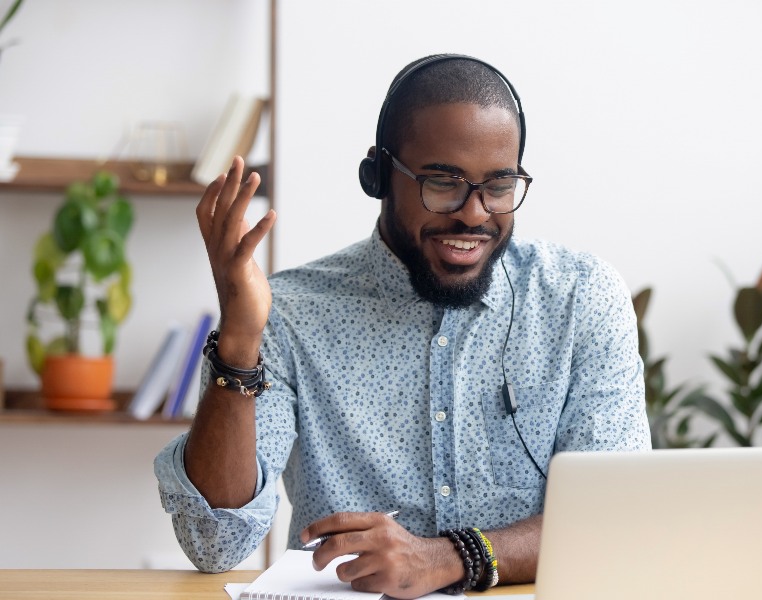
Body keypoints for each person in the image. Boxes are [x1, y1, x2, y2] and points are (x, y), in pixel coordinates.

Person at [155, 54, 650, 598]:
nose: (475, 214)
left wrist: (449, 558)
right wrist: (240, 339)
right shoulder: (288, 314)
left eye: (499, 186)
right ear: (379, 176)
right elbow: (213, 543)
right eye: (443, 183)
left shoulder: (580, 299)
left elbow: (614, 521)